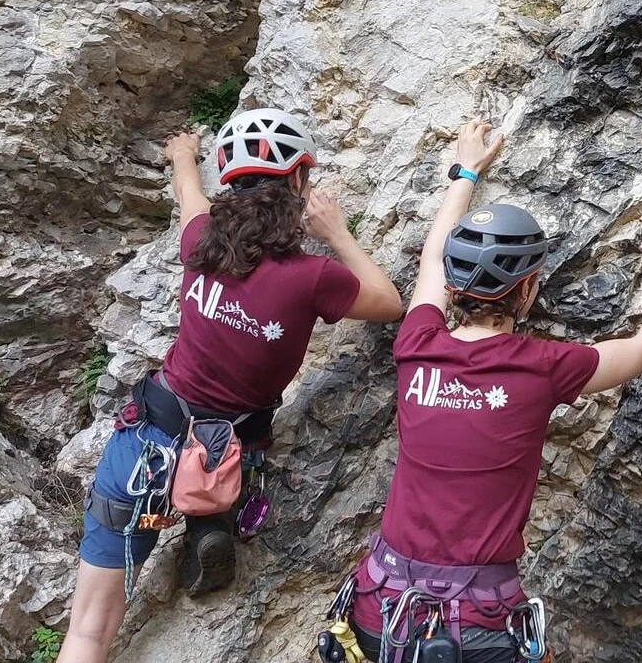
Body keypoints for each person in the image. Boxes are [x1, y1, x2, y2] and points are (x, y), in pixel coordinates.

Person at [324, 119, 642, 663]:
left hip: (379, 604)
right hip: (474, 625)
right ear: (530, 287)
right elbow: (640, 351)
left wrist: (465, 171)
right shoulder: (542, 367)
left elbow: (429, 260)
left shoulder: (417, 342)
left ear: (452, 283)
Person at [58, 108, 406, 663]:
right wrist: (337, 233)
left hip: (146, 447)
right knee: (229, 446)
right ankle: (208, 516)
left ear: (228, 180)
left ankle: (200, 517)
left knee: (88, 632)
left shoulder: (201, 243)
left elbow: (190, 199)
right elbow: (389, 303)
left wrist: (181, 155)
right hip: (229, 455)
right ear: (299, 181)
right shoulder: (314, 278)